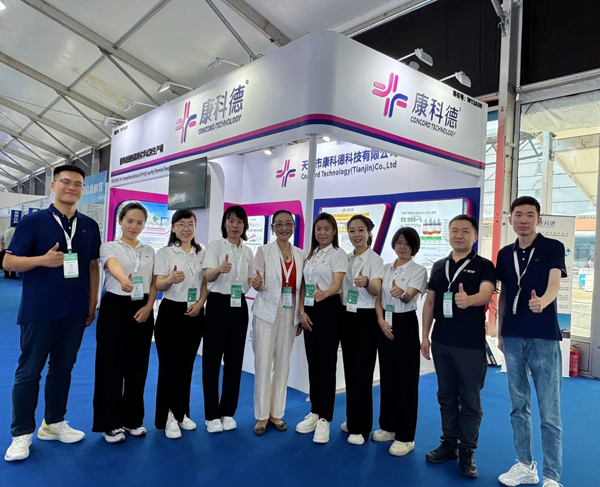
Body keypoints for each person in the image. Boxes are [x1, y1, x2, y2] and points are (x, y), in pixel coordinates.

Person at [4, 165, 101, 462]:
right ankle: (21, 433)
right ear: (54, 186)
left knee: (63, 369)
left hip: (74, 311)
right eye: (66, 182)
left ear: (82, 190)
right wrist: (41, 260)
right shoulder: (33, 222)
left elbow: (92, 266)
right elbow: (9, 262)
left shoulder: (89, 225)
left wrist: (92, 301)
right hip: (40, 310)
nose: (72, 187)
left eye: (78, 184)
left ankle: (53, 422)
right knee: (29, 371)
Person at [496, 197, 566, 487]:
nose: (523, 220)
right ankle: (525, 465)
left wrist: (543, 302)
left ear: (539, 219)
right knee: (518, 406)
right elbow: (503, 293)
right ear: (510, 219)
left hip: (544, 337)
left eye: (529, 215)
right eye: (518, 214)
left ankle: (551, 476)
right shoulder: (504, 253)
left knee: (549, 411)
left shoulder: (552, 247)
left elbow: (554, 283)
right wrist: (499, 331)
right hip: (513, 336)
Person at [421, 214, 495, 478]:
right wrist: (425, 336)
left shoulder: (484, 265)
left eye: (465, 231)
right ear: (448, 234)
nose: (459, 235)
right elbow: (430, 303)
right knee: (446, 396)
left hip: (470, 345)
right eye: (454, 230)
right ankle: (449, 443)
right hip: (441, 341)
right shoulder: (438, 266)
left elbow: (486, 293)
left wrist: (469, 300)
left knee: (470, 400)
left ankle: (467, 451)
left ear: (474, 236)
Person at [92, 202, 157, 443]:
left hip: (142, 307)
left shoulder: (149, 250)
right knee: (110, 366)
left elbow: (154, 281)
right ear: (120, 221)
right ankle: (109, 423)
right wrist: (123, 280)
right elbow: (113, 266)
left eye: (139, 222)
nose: (134, 226)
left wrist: (149, 306)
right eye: (130, 221)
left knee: (138, 366)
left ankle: (132, 419)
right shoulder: (109, 246)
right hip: (115, 307)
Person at [154, 209, 207, 439]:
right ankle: (166, 416)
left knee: (186, 366)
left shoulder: (201, 252)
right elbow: (159, 284)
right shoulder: (165, 252)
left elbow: (205, 283)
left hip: (195, 312)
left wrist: (200, 303)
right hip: (171, 312)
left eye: (191, 224)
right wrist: (170, 279)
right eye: (182, 224)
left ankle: (181, 412)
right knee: (168, 366)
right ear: (173, 227)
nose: (186, 228)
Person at [251, 210, 305, 436]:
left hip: (289, 312)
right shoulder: (263, 251)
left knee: (283, 363)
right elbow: (256, 280)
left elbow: (302, 288)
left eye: (288, 224)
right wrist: (256, 283)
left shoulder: (301, 254)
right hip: (266, 311)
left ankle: (276, 413)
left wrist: (300, 313)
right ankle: (262, 415)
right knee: (263, 363)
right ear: (273, 227)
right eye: (279, 224)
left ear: (293, 227)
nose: (284, 228)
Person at [374, 227, 427, 456]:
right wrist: (380, 321)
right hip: (385, 322)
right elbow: (378, 298)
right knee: (388, 376)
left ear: (414, 247)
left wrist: (401, 293)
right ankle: (388, 426)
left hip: (405, 323)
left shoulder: (419, 270)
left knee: (407, 380)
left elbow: (409, 296)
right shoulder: (385, 268)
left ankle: (406, 437)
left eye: (407, 243)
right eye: (399, 242)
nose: (402, 247)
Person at [296, 212, 348, 444]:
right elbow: (304, 285)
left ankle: (325, 418)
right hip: (310, 310)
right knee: (314, 364)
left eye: (327, 229)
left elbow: (337, 284)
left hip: (329, 309)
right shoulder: (312, 254)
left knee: (327, 366)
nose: (322, 233)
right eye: (318, 229)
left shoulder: (338, 254)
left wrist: (324, 294)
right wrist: (302, 312)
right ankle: (315, 411)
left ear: (334, 231)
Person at [202, 205, 253, 433]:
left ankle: (227, 412)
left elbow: (249, 279)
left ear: (244, 225)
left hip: (239, 304)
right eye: (231, 221)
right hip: (217, 304)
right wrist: (219, 269)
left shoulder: (248, 251)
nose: (235, 225)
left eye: (239, 222)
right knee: (212, 361)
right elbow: (208, 275)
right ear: (224, 223)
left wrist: (251, 285)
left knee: (234, 361)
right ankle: (211, 415)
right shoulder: (215, 246)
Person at [339, 215, 383, 446]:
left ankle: (362, 428)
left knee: (363, 373)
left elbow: (377, 289)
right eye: (352, 230)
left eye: (360, 230)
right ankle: (352, 420)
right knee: (350, 371)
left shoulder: (375, 259)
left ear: (368, 233)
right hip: (347, 315)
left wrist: (366, 282)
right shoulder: (346, 258)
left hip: (366, 318)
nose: (356, 235)